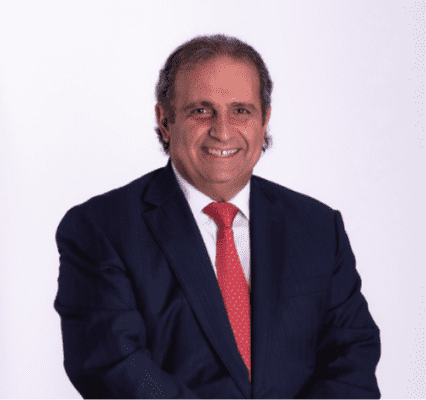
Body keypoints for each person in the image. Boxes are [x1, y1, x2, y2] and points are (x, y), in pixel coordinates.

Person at [54, 34, 381, 399]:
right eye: (201, 110)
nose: (223, 131)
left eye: (241, 111)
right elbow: (114, 365)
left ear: (264, 120)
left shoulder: (318, 228)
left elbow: (352, 355)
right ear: (165, 120)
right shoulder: (101, 229)